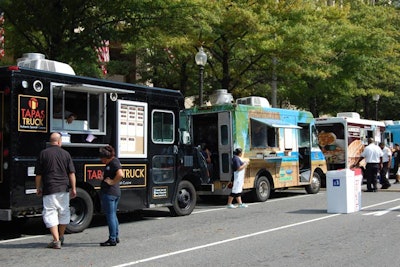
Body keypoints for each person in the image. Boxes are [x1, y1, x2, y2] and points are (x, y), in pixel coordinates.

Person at [35, 132, 77, 249]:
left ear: (50, 142)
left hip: (49, 188)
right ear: (59, 142)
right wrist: (73, 188)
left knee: (50, 213)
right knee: (63, 212)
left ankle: (56, 240)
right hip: (63, 188)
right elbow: (71, 173)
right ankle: (61, 236)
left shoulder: (43, 154)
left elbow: (38, 175)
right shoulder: (66, 154)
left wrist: (38, 188)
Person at [99, 145, 124, 246]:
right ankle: (115, 236)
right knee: (113, 215)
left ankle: (112, 238)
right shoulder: (112, 162)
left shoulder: (114, 162)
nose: (101, 160)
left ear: (106, 157)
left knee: (110, 216)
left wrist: (112, 182)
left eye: (102, 158)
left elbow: (121, 174)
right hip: (114, 193)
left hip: (110, 193)